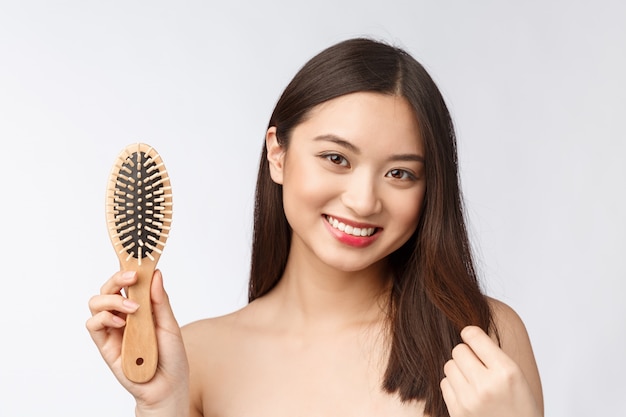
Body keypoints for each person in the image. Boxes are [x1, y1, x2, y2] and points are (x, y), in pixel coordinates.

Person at [87, 38, 543, 417]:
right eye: (336, 159)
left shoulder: (483, 338)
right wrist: (161, 405)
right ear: (278, 154)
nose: (364, 201)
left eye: (400, 173)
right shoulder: (197, 358)